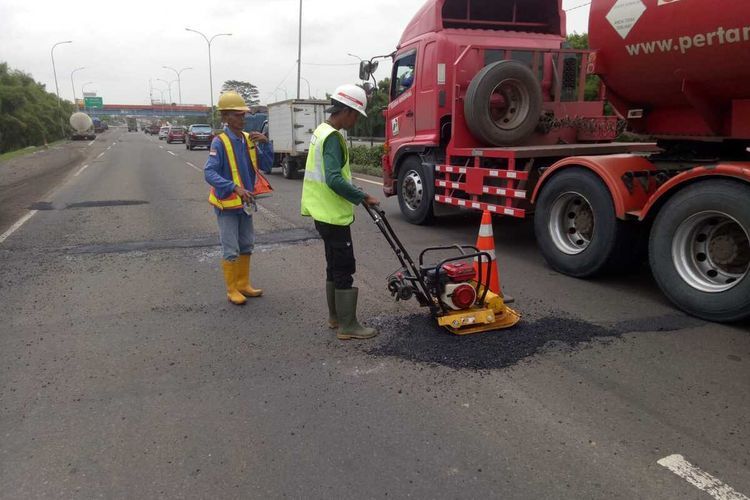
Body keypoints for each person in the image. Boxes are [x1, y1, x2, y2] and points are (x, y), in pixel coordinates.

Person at [300, 84, 380, 340]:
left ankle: (336, 318)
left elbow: (332, 175)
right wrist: (362, 196)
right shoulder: (333, 138)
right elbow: (334, 179)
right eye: (355, 114)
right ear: (344, 111)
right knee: (344, 266)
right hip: (332, 215)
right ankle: (348, 325)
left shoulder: (321, 131)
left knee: (333, 265)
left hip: (322, 212)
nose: (356, 120)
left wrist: (355, 188)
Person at [204, 90, 273, 305]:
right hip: (227, 204)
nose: (242, 118)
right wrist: (234, 187)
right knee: (230, 247)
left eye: (243, 114)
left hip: (245, 203)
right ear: (225, 117)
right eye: (237, 114)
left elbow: (267, 166)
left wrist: (265, 143)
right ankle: (232, 289)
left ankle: (243, 284)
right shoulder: (219, 142)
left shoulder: (247, 139)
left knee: (246, 244)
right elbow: (209, 172)